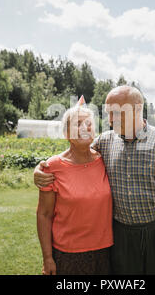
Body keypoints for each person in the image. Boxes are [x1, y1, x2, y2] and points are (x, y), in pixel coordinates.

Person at [35, 86, 155, 275]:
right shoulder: (104, 142)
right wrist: (39, 169)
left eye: (116, 113)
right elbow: (75, 153)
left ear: (137, 109)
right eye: (108, 113)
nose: (110, 120)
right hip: (122, 236)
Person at [36, 101, 113, 275]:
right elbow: (44, 214)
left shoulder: (105, 159)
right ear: (65, 133)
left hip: (106, 250)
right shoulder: (52, 166)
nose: (85, 128)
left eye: (89, 123)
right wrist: (47, 257)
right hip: (68, 253)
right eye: (78, 124)